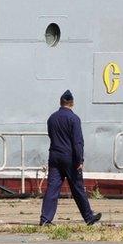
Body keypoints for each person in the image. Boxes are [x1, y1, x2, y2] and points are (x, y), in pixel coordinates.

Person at [39, 90, 102, 226]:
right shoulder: (74, 119)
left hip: (54, 157)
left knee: (52, 188)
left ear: (61, 102)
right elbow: (77, 142)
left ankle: (45, 219)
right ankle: (88, 217)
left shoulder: (52, 118)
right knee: (77, 188)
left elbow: (51, 135)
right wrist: (80, 160)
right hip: (70, 158)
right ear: (72, 103)